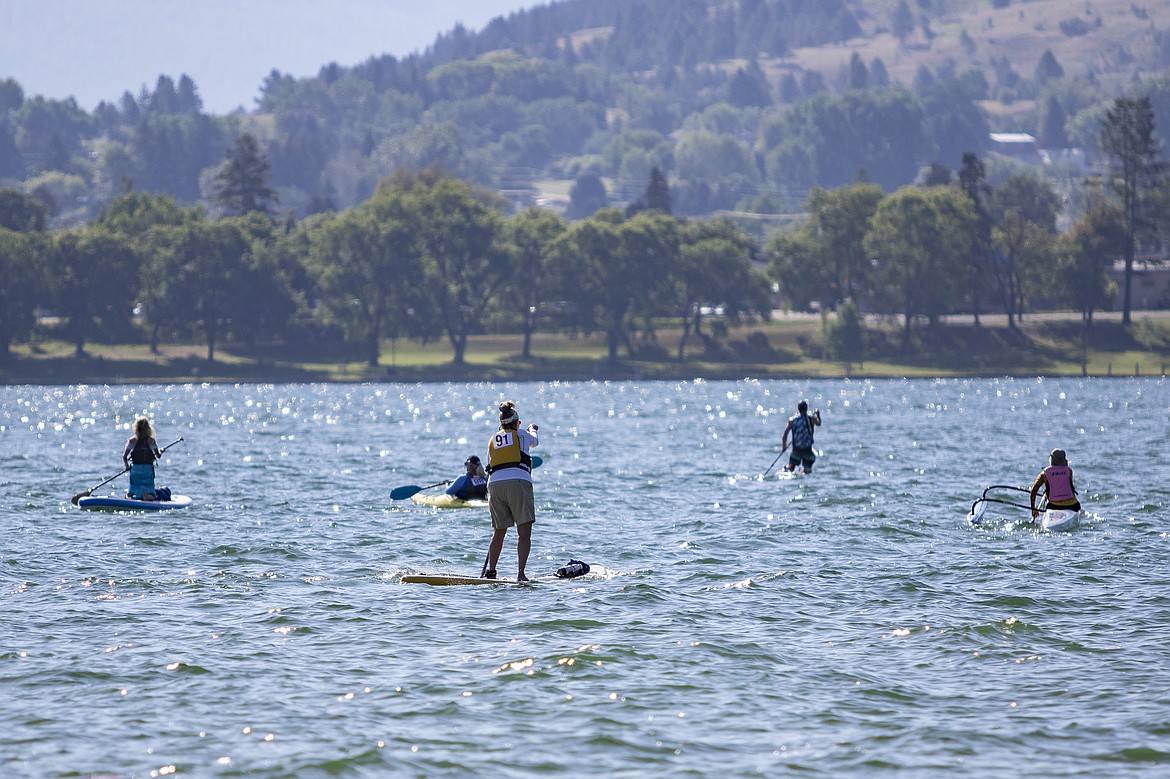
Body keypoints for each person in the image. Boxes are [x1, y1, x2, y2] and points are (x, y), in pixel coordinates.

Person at [483, 400, 539, 581]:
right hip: (518, 482)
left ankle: (491, 571)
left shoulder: (493, 439)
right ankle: (521, 574)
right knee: (524, 533)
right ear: (516, 423)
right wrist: (533, 428)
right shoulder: (522, 434)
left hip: (495, 485)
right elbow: (535, 442)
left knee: (499, 531)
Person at [1030, 448, 1080, 519]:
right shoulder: (1069, 470)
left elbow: (1034, 490)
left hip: (1054, 506)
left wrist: (1033, 509)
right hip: (1073, 505)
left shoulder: (1044, 473)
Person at [122, 416, 163, 500]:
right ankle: (148, 496)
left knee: (132, 488)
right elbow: (157, 456)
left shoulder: (131, 441)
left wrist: (127, 466)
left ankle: (129, 496)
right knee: (150, 489)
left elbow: (124, 457)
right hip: (147, 470)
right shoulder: (151, 441)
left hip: (135, 469)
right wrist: (161, 452)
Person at [780, 400, 822, 473]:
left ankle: (788, 469)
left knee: (791, 467)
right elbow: (819, 423)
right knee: (807, 469)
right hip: (808, 449)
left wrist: (784, 447)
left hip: (796, 448)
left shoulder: (792, 420)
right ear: (806, 408)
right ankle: (804, 472)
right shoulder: (812, 419)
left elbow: (785, 435)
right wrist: (818, 414)